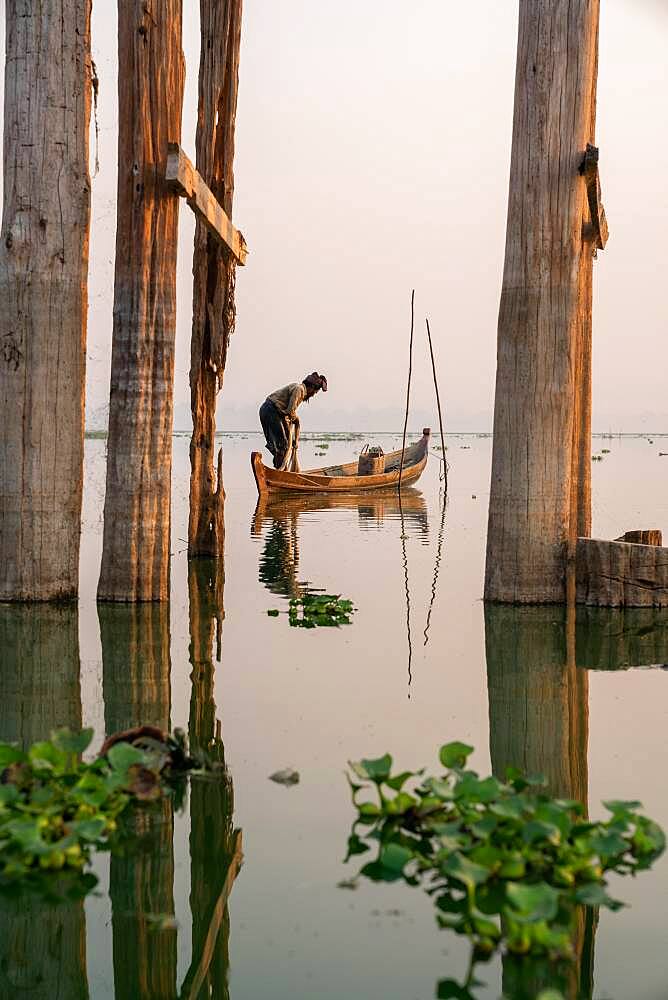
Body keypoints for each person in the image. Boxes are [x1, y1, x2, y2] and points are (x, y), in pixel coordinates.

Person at [259, 372, 328, 469]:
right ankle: (280, 473)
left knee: (278, 446)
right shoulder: (299, 390)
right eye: (315, 392)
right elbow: (290, 411)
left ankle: (280, 471)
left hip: (267, 410)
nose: (313, 395)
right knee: (283, 445)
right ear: (311, 387)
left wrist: (293, 437)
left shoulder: (299, 390)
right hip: (271, 411)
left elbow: (288, 415)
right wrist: (295, 421)